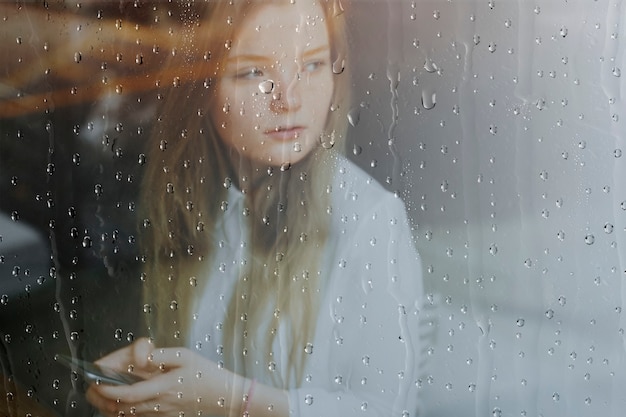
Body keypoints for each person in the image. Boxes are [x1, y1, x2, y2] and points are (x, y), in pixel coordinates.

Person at [85, 1, 424, 416]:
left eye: (313, 65)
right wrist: (149, 382)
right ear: (199, 86)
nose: (289, 98)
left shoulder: (371, 221)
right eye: (253, 72)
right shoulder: (189, 198)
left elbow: (388, 411)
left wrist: (238, 402)